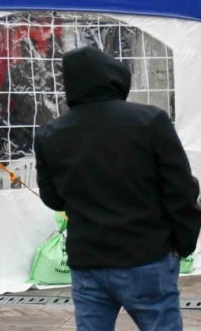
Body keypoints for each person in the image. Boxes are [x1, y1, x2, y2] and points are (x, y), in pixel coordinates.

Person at [35, 46, 201, 331]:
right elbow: (181, 189)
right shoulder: (150, 121)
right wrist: (183, 243)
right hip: (147, 255)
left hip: (88, 259)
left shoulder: (50, 133)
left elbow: (53, 198)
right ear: (114, 77)